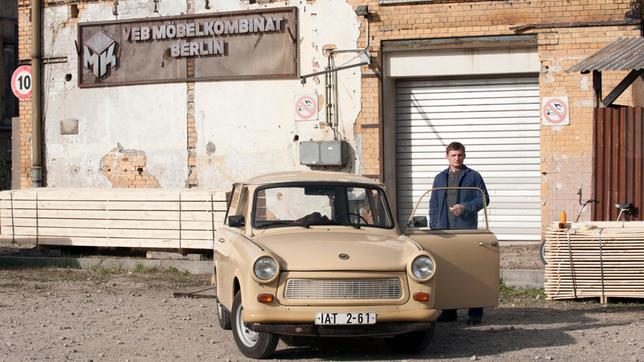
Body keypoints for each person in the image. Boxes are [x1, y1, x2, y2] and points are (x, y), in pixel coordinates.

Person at [429, 141, 490, 325]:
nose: (457, 158)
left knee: (471, 270)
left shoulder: (473, 176)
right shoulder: (440, 178)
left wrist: (465, 207)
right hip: (445, 231)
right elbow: (433, 204)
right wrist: (434, 227)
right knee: (447, 272)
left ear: (464, 156)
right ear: (447, 156)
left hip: (466, 231)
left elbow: (484, 199)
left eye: (460, 155)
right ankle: (449, 311)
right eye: (454, 155)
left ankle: (475, 312)